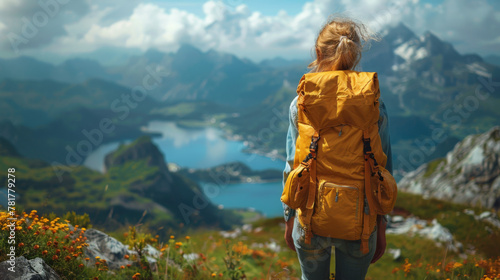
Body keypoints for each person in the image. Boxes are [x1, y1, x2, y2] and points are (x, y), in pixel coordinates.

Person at [282, 17, 393, 280]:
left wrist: (289, 217)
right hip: (363, 221)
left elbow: (292, 164)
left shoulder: (302, 101)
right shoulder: (374, 104)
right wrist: (382, 224)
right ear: (355, 54)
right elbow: (383, 166)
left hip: (310, 217)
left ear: (318, 52)